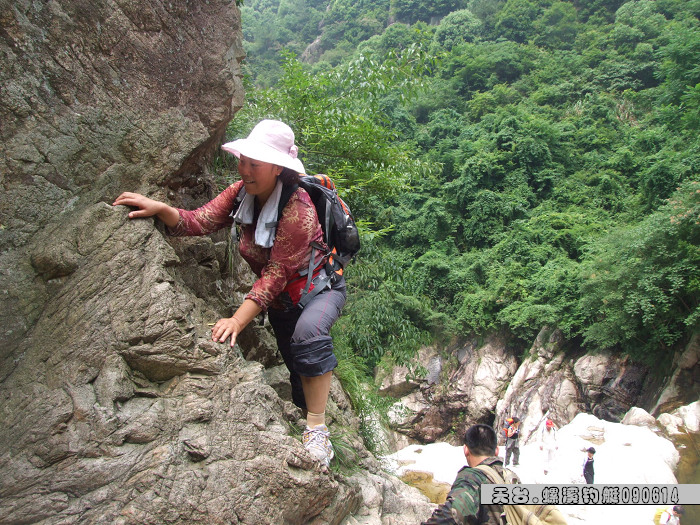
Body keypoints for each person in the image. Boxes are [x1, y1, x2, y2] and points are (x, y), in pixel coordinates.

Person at [113, 119, 346, 468]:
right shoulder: (241, 193)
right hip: (284, 302)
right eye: (243, 161)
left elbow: (275, 274)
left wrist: (237, 320)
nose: (245, 169)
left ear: (279, 168)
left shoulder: (298, 210)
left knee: (309, 336)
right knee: (299, 374)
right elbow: (199, 221)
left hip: (319, 289)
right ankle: (308, 418)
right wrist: (160, 208)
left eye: (255, 163)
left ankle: (318, 434)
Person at [422, 424, 517, 525]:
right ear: (497, 451)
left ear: (466, 450)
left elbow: (452, 515)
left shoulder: (473, 479)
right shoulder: (512, 478)